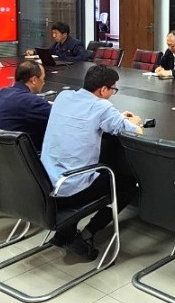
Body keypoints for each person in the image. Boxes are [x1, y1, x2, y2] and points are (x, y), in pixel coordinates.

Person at [42, 64, 144, 260]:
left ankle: (65, 232)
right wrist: (135, 122)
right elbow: (134, 132)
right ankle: (86, 235)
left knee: (97, 164)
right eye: (113, 89)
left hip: (45, 182)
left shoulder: (63, 96)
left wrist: (116, 118)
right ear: (103, 89)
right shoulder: (102, 107)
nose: (113, 93)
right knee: (127, 185)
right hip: (69, 189)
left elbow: (88, 117)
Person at [0, 60, 51, 150]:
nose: (44, 82)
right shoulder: (31, 101)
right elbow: (58, 117)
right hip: (7, 155)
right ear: (34, 80)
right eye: (43, 78)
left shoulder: (2, 92)